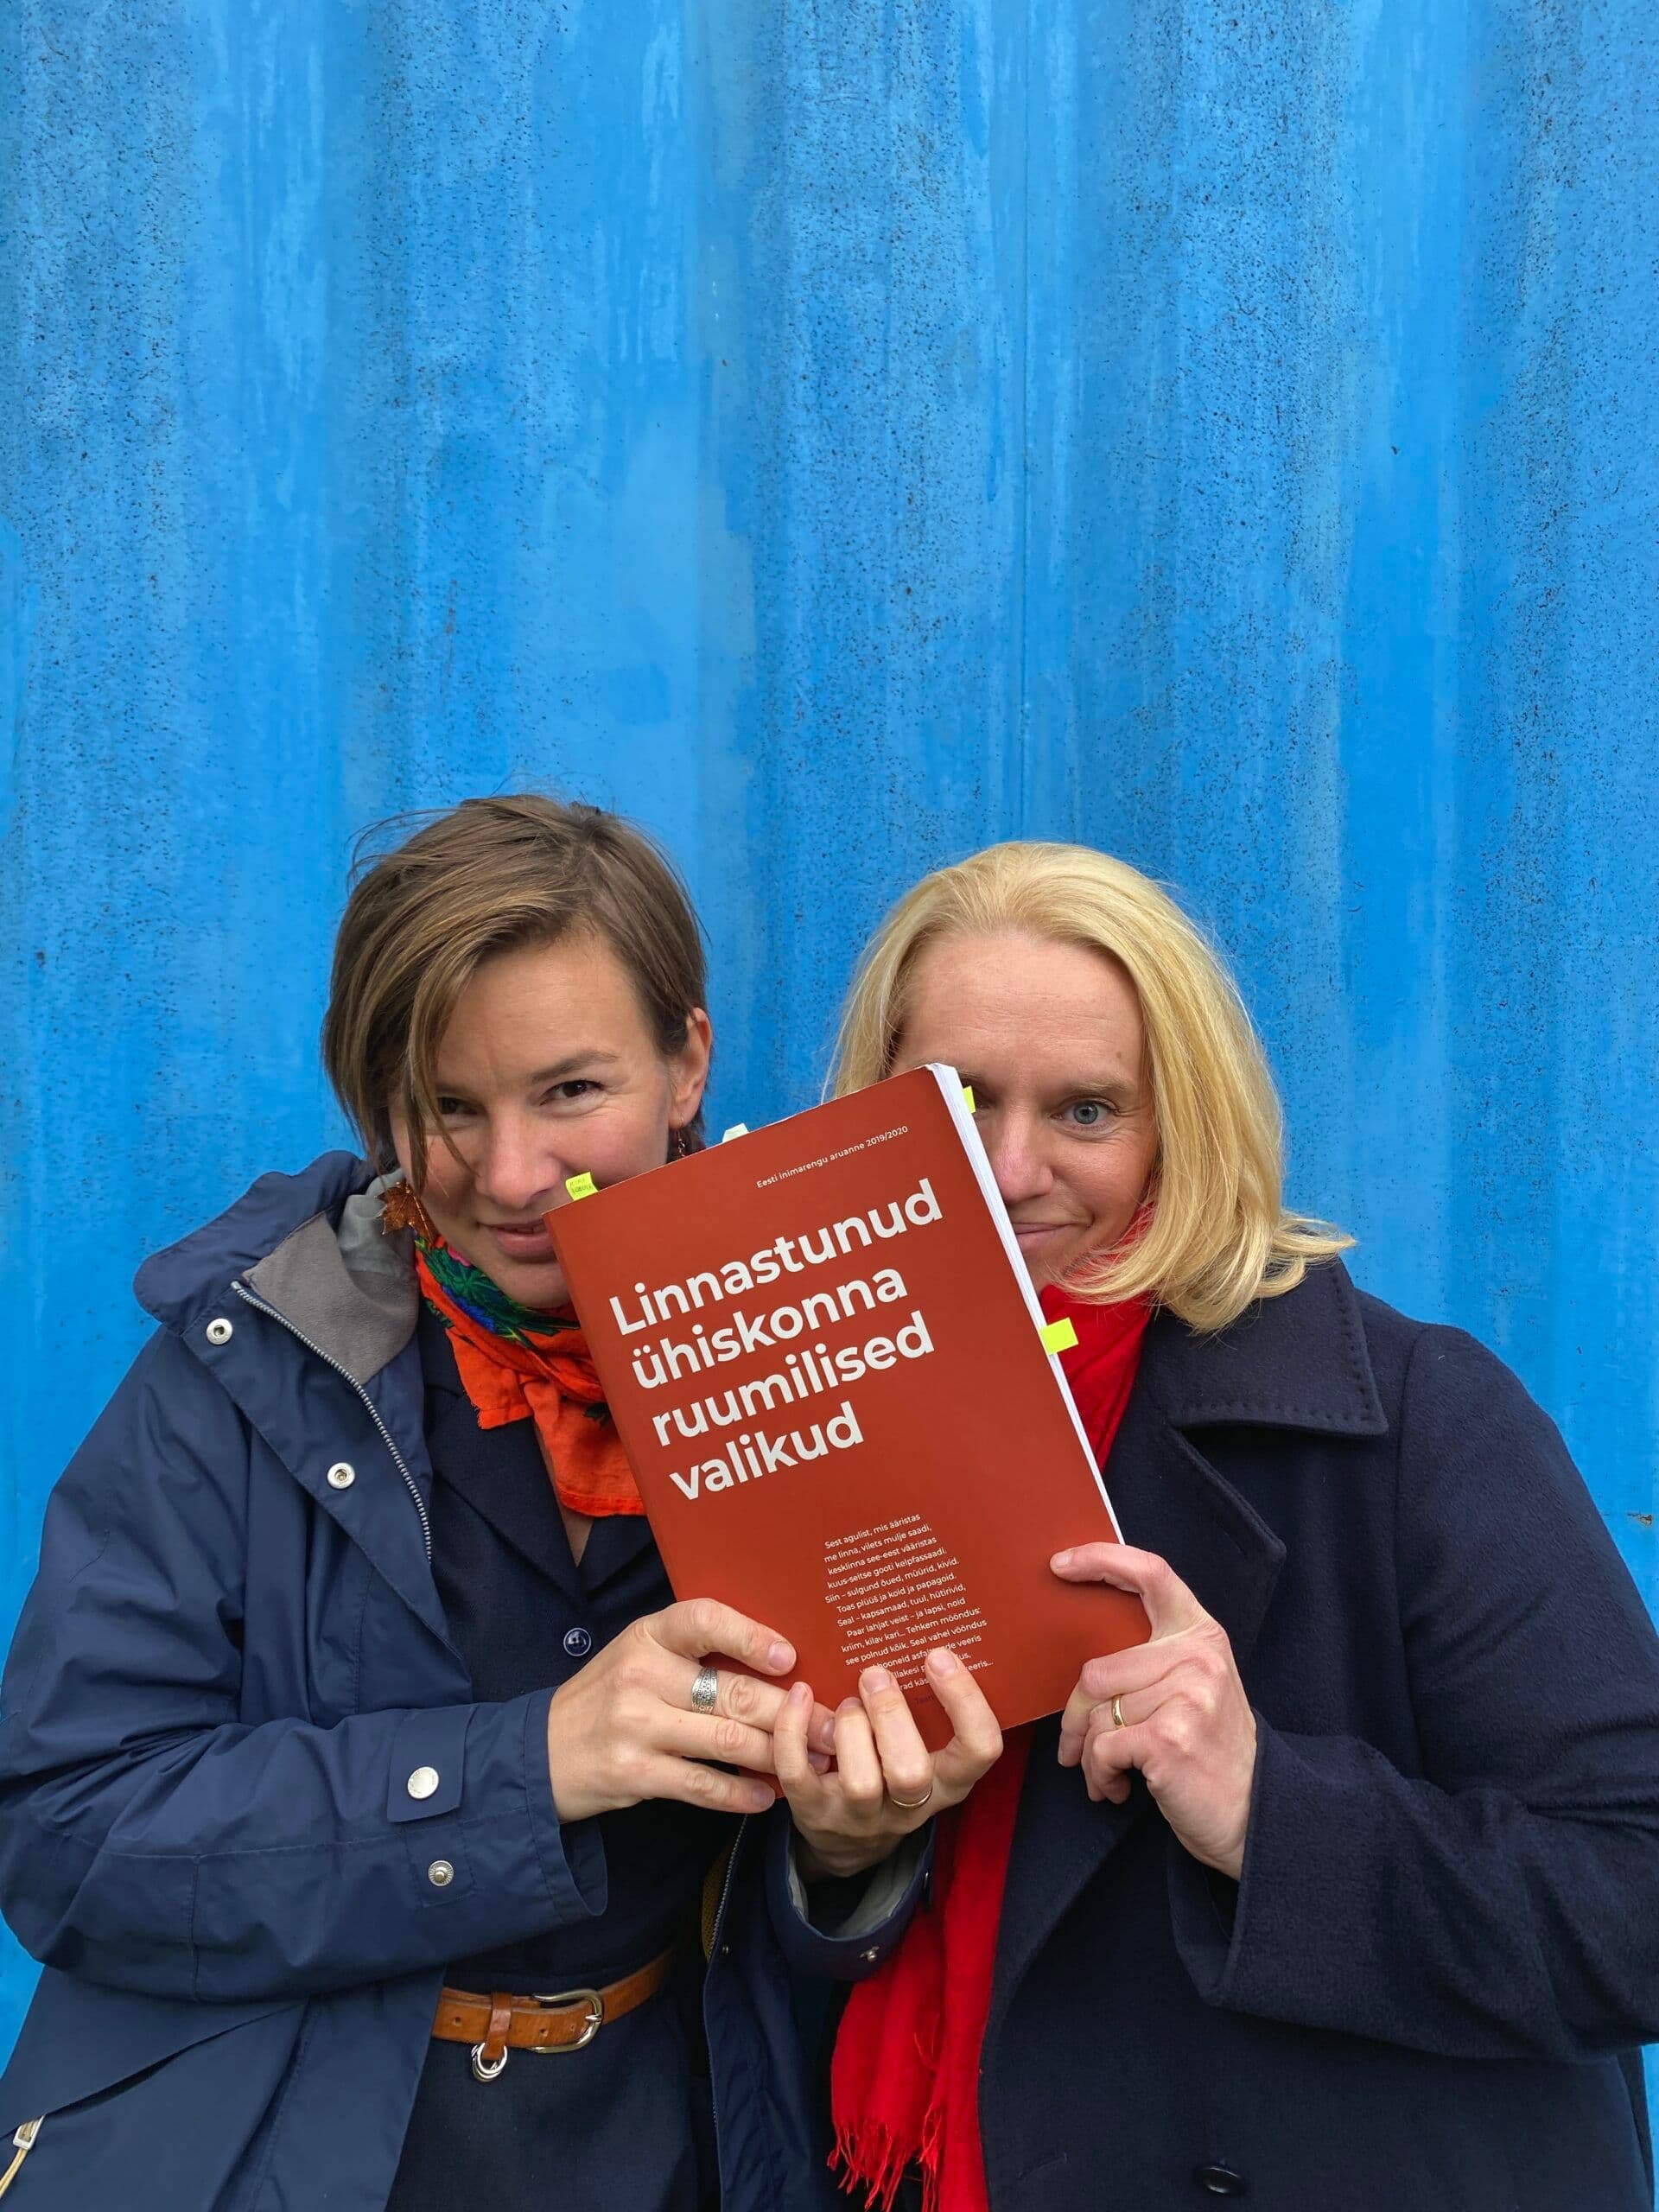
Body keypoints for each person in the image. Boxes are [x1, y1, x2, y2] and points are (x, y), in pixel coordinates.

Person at [0, 795, 912, 2212]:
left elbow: (830, 1886)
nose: (511, 1176)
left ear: (687, 1062)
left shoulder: (819, 1346)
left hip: (675, 2138)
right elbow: (69, 1836)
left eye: (571, 1091)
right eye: (449, 1108)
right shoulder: (249, 1368)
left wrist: (847, 1852)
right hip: (282, 2152)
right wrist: (524, 1766)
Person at [765, 839, 1659, 2212]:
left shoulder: (1413, 1418)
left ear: (1178, 1128)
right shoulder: (810, 1415)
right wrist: (843, 1853)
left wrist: (1267, 1813)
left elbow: (1634, 1901)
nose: (1008, 1168)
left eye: (1085, 1110)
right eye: (955, 1099)